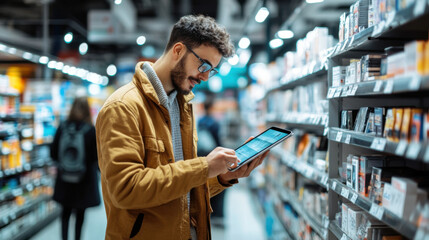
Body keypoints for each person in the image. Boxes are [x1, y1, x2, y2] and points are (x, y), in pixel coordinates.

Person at [96, 14, 269, 240]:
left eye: (212, 70)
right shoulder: (123, 107)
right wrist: (204, 167)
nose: (206, 77)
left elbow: (180, 187)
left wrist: (221, 176)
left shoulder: (182, 104)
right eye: (204, 65)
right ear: (178, 50)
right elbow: (126, 190)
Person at [50, 96, 101, 240]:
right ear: (87, 110)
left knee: (65, 213)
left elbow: (53, 152)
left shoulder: (63, 126)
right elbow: (95, 157)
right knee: (80, 215)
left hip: (64, 179)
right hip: (84, 181)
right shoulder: (90, 130)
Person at [197, 95, 226, 228]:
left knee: (204, 183)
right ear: (212, 107)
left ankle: (206, 212)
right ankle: (217, 215)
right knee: (219, 183)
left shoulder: (200, 121)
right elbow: (218, 142)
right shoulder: (214, 123)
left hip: (201, 155)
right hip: (213, 155)